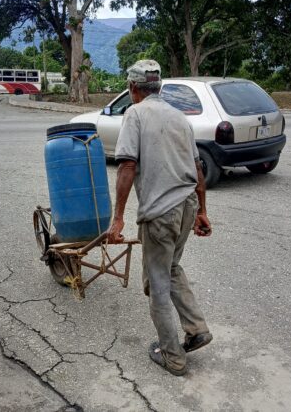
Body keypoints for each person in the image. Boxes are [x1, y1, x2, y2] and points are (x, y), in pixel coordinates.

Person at [107, 59, 213, 376]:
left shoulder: (135, 114)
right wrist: (203, 211)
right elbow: (197, 169)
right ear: (159, 87)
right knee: (172, 266)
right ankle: (196, 329)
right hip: (188, 204)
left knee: (158, 283)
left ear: (133, 89)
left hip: (162, 213)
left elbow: (127, 166)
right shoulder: (180, 117)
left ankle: (173, 357)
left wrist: (118, 218)